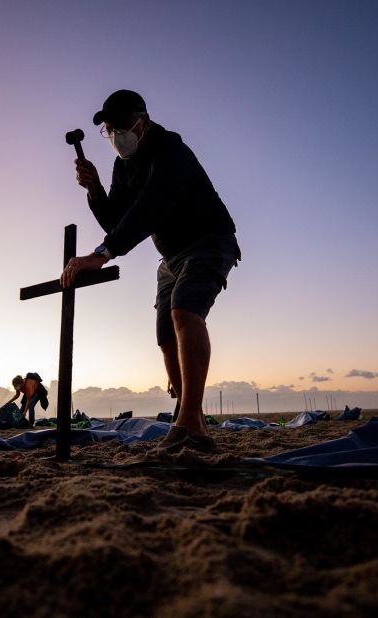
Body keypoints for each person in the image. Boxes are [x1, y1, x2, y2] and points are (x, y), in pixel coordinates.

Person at [62, 89, 240, 453]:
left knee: (185, 308)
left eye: (120, 126)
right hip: (170, 257)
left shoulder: (171, 151)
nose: (114, 135)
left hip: (210, 241)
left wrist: (101, 254)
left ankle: (189, 422)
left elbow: (151, 209)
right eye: (108, 129)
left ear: (141, 120)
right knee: (165, 336)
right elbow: (117, 219)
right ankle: (192, 422)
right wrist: (95, 188)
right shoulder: (122, 166)